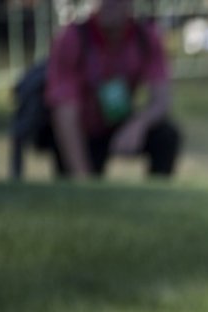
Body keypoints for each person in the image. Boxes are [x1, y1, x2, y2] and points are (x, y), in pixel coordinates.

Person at [43, 0, 181, 179]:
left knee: (166, 135)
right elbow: (65, 113)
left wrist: (137, 125)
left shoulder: (145, 37)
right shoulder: (73, 38)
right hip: (80, 128)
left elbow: (162, 100)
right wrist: (82, 177)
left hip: (117, 121)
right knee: (76, 186)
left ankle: (157, 198)